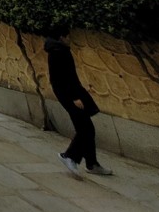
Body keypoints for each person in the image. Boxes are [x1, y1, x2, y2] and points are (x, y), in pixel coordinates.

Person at [45, 28, 113, 177]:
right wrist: (74, 97)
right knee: (86, 129)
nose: (70, 38)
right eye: (68, 35)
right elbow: (65, 77)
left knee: (87, 129)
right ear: (62, 37)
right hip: (71, 96)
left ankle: (92, 163)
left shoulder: (57, 50)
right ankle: (69, 156)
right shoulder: (59, 52)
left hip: (69, 94)